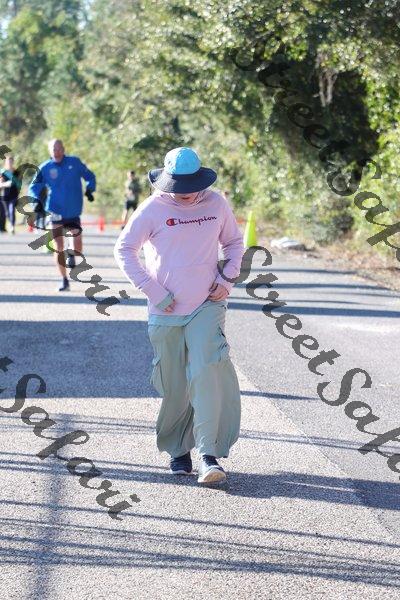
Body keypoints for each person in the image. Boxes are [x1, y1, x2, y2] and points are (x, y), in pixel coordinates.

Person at [114, 147, 244, 485]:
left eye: (190, 185)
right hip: (165, 310)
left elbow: (234, 243)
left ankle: (209, 455)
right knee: (174, 385)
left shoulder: (216, 204)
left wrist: (227, 279)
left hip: (207, 305)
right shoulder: (152, 208)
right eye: (178, 186)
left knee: (206, 371)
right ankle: (178, 449)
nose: (185, 192)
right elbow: (124, 249)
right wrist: (153, 290)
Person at [28, 139, 96, 291]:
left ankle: (71, 253)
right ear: (50, 151)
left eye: (59, 148)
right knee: (58, 247)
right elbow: (33, 187)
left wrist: (90, 189)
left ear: (64, 149)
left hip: (73, 211)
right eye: (54, 149)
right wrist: (36, 202)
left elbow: (90, 176)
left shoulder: (75, 162)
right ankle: (64, 280)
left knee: (77, 246)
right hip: (54, 210)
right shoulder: (45, 167)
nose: (57, 151)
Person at [0, 156, 22, 234]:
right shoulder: (2, 172)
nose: (9, 163)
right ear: (5, 162)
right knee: (6, 212)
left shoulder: (17, 172)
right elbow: (0, 184)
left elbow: (19, 184)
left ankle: (12, 226)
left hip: (14, 194)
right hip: (4, 195)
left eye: (11, 162)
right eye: (8, 162)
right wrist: (6, 184)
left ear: (13, 162)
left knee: (12, 209)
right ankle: (7, 225)